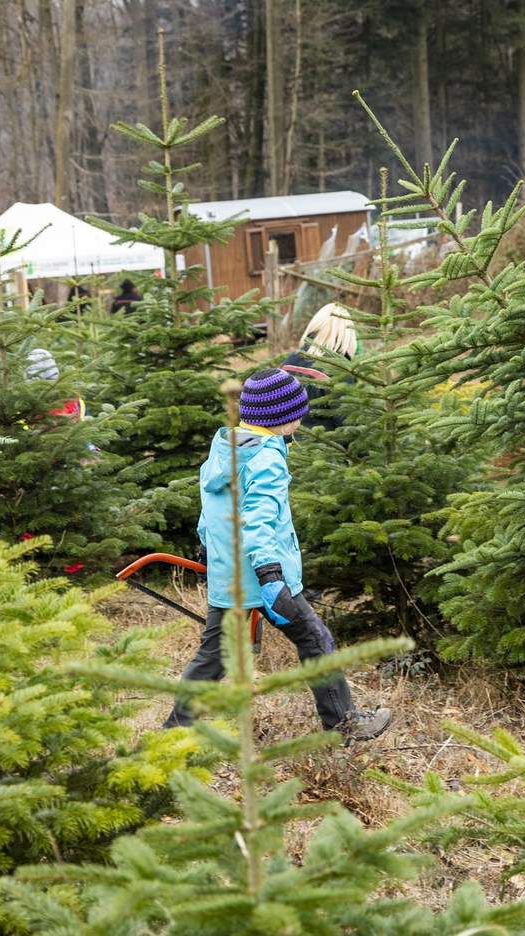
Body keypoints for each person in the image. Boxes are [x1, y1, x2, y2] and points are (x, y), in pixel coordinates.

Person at [164, 368, 394, 742]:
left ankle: (174, 733)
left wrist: (209, 551)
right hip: (262, 579)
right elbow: (257, 523)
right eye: (298, 412)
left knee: (213, 658)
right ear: (283, 417)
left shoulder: (225, 447)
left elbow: (209, 513)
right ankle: (345, 726)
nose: (301, 419)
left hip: (229, 577)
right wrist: (271, 575)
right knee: (316, 642)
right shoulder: (267, 459)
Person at [281, 302, 357, 429]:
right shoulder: (338, 370)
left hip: (286, 443)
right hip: (324, 446)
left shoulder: (289, 361)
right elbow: (347, 426)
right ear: (348, 334)